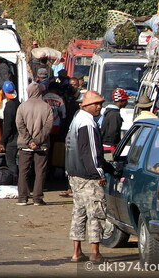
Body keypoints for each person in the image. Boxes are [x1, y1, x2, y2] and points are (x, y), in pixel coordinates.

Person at [66, 90, 113, 263]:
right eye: (96, 104)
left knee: (79, 213)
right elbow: (91, 153)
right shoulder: (87, 123)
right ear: (85, 106)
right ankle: (95, 253)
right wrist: (99, 173)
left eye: (100, 103)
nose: (99, 107)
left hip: (75, 174)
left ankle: (77, 252)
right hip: (88, 177)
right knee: (96, 214)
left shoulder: (77, 120)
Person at [15, 83, 54, 206]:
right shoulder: (47, 107)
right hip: (41, 146)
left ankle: (22, 197)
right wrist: (37, 141)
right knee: (40, 171)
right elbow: (48, 127)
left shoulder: (22, 107)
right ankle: (37, 198)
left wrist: (29, 141)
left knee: (23, 171)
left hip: (25, 145)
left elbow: (19, 125)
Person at [0, 81, 21, 179]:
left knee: (11, 162)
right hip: (20, 136)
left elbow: (7, 127)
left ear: (4, 92)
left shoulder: (9, 106)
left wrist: (2, 141)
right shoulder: (19, 103)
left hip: (12, 139)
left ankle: (14, 183)